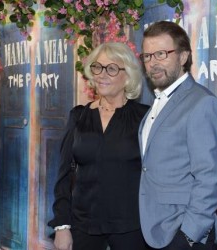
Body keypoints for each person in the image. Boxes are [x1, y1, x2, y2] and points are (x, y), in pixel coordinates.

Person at [48, 42, 150, 250]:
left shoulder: (145, 117)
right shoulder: (79, 116)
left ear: (128, 76)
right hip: (83, 225)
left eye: (111, 69)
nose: (102, 74)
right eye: (97, 67)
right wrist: (61, 226)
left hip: (131, 227)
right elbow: (64, 175)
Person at [138, 21, 217, 250]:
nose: (152, 63)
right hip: (155, 230)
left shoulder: (201, 103)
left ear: (183, 56)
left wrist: (188, 237)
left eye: (161, 54)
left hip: (185, 235)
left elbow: (209, 178)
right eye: (147, 56)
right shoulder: (155, 104)